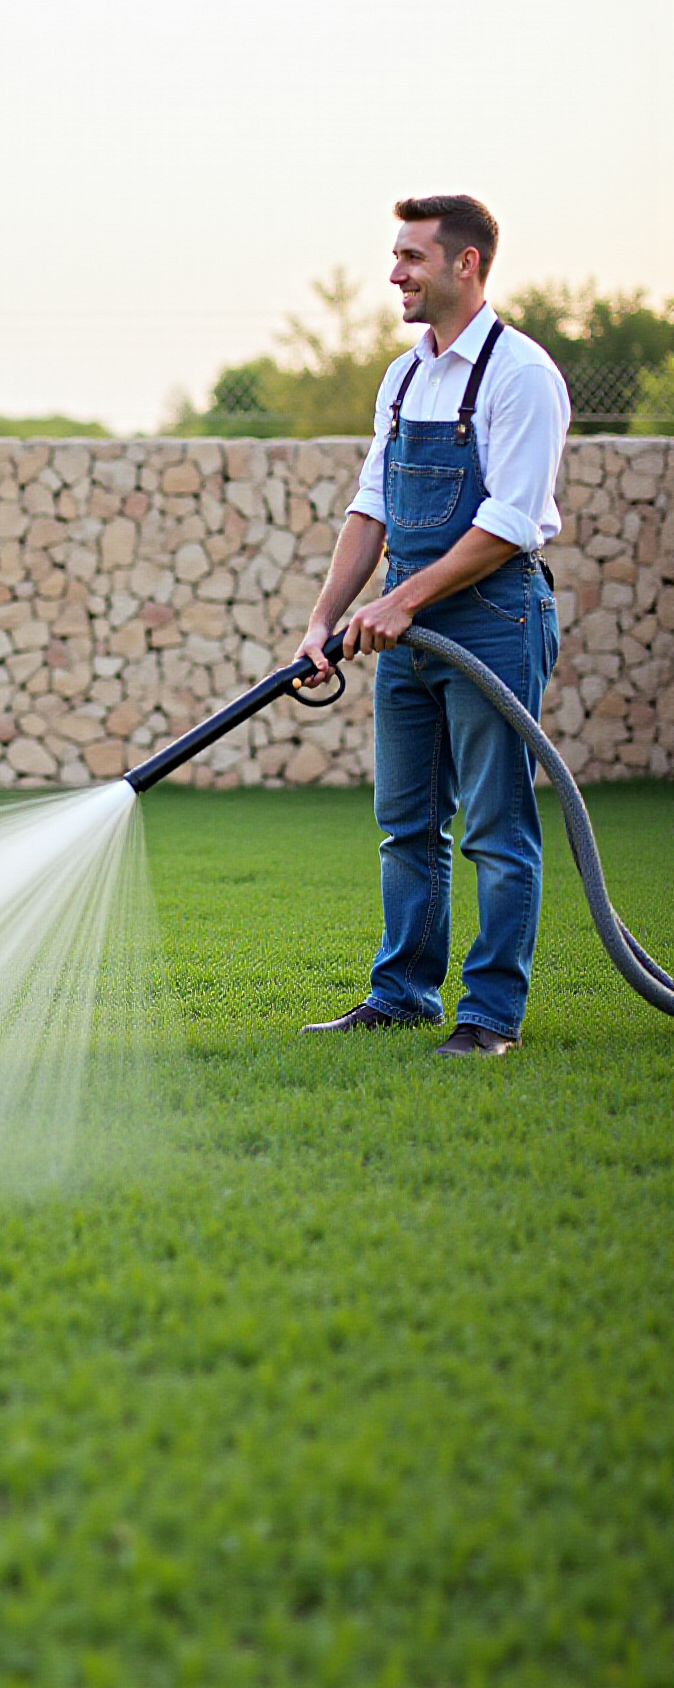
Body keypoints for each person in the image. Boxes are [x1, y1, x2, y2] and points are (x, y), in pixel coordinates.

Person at [296, 195, 570, 1055]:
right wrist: (324, 620)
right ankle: (403, 993)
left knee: (496, 826)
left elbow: (511, 521)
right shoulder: (405, 374)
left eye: (412, 257)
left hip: (490, 621)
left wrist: (401, 603)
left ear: (466, 265)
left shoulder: (521, 376)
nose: (394, 274)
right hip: (405, 629)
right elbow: (372, 504)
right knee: (407, 823)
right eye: (396, 255)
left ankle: (490, 1017)